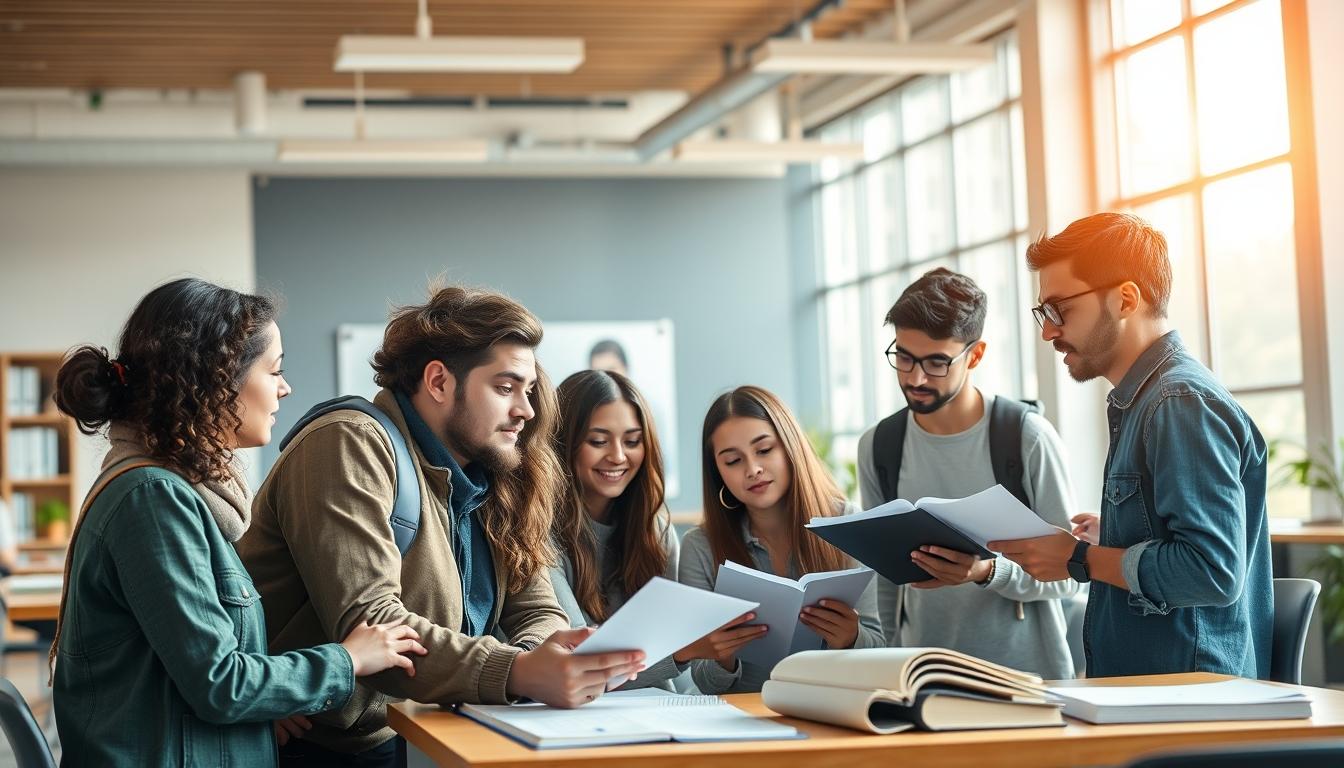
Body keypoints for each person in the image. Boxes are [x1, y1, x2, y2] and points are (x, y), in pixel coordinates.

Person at [237, 285, 644, 766]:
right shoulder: (348, 442)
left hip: (411, 734)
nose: (526, 410)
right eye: (505, 387)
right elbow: (374, 626)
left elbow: (537, 609)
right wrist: (518, 671)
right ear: (438, 382)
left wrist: (537, 661)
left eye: (528, 389)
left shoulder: (497, 471)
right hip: (310, 745)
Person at [51, 278, 424, 767]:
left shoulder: (172, 494)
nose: (285, 387)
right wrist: (349, 659)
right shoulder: (153, 498)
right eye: (275, 371)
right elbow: (219, 683)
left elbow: (187, 667)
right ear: (219, 380)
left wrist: (268, 704)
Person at [992, 212, 1272, 678]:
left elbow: (1212, 572)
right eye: (1043, 313)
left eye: (1060, 309)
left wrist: (1078, 558)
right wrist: (1122, 534)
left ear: (1125, 299)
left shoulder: (1177, 402)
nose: (1048, 331)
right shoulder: (1147, 401)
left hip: (1186, 704)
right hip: (1157, 695)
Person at [856, 268, 1080, 680]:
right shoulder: (879, 446)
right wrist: (882, 673)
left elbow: (1069, 576)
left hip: (1030, 683)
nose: (915, 378)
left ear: (975, 356)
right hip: (924, 680)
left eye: (937, 362)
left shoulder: (1026, 438)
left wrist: (985, 572)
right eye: (904, 357)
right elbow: (883, 582)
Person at [548, 369, 751, 691]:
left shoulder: (654, 530)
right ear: (564, 442)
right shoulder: (539, 535)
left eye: (632, 441)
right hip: (573, 714)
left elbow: (682, 670)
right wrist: (682, 651)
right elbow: (578, 666)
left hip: (659, 706)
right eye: (598, 441)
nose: (617, 456)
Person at [679, 385, 884, 693]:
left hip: (829, 713)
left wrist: (851, 637)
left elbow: (879, 651)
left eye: (764, 450)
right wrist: (722, 657)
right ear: (717, 472)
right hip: (742, 722)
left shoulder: (847, 523)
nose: (753, 469)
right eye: (733, 461)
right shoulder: (700, 546)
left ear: (790, 447)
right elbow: (703, 680)